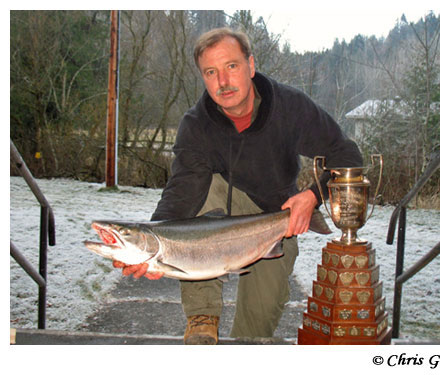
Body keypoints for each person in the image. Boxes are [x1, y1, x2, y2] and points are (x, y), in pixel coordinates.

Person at [114, 27, 362, 344]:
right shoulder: (196, 125)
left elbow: (347, 155)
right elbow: (181, 194)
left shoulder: (289, 107)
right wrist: (149, 246)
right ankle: (202, 317)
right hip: (219, 217)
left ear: (251, 66)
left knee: (256, 329)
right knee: (206, 187)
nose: (223, 82)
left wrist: (312, 197)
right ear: (203, 78)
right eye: (211, 72)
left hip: (274, 219)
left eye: (231, 66)